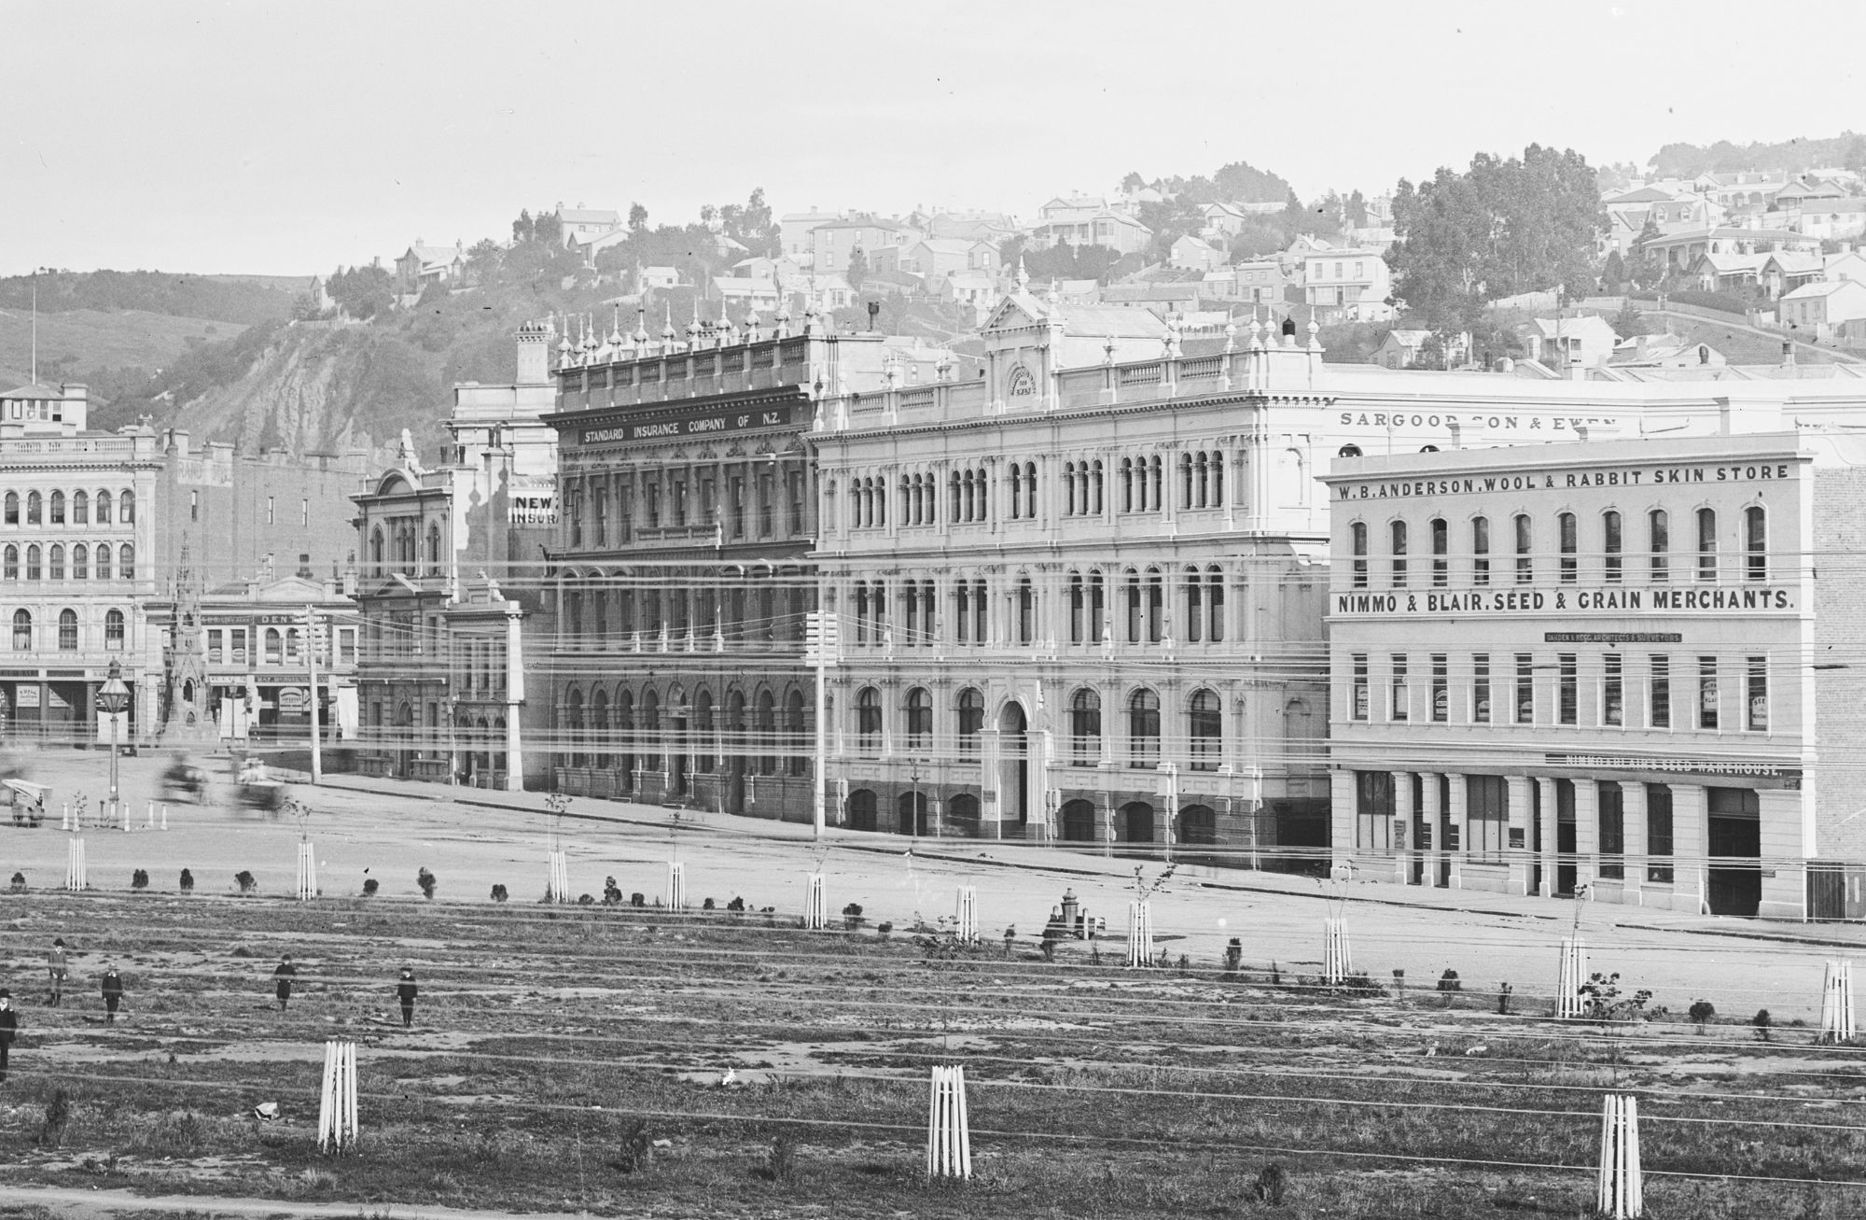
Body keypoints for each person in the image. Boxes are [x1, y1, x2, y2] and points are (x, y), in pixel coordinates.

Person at [47, 938, 68, 1007]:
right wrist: (53, 972)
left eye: (61, 946)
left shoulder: (63, 954)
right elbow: (50, 964)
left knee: (60, 988)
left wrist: (65, 974)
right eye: (59, 946)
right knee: (53, 988)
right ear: (56, 946)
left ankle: (58, 1001)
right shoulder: (52, 953)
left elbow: (65, 964)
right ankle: (53, 1000)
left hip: (61, 973)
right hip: (54, 973)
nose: (60, 948)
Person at [0, 991, 16, 1082]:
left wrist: (11, 1036)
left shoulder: (10, 1010)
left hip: (5, 1036)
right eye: (2, 997)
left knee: (4, 1055)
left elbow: (13, 1024)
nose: (4, 999)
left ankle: (2, 1075)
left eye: (5, 997)